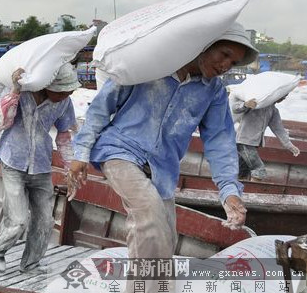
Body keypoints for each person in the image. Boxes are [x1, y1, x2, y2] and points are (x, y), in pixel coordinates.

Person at [69, 24, 258, 291]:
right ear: (204, 44)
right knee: (149, 214)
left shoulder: (213, 91)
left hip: (163, 167)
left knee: (166, 237)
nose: (226, 65)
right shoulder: (150, 66)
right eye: (224, 54)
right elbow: (101, 109)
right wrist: (81, 153)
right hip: (120, 151)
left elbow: (220, 140)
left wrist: (229, 190)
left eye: (233, 61)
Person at [0, 63, 79, 273]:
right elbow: (1, 123)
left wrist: (70, 168)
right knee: (18, 219)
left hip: (41, 164)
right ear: (50, 86)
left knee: (45, 221)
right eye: (64, 91)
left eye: (70, 91)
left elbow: (64, 137)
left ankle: (31, 263)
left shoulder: (65, 103)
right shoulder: (23, 94)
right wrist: (15, 91)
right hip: (13, 161)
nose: (67, 94)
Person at [231, 96, 300, 181]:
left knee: (242, 171)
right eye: (284, 95)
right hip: (244, 142)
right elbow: (235, 108)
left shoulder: (273, 110)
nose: (284, 98)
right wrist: (245, 104)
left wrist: (290, 145)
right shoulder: (256, 103)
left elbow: (279, 129)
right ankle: (252, 192)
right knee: (259, 170)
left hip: (253, 144)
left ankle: (239, 190)